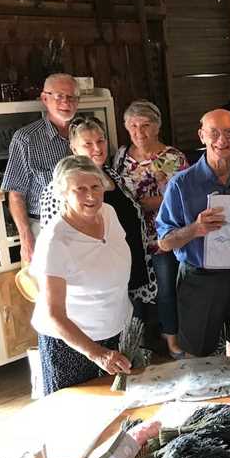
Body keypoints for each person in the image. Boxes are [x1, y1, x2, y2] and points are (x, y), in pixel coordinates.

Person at [156, 109, 230, 358]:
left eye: (229, 132)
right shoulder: (181, 184)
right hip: (200, 281)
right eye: (214, 133)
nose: (222, 140)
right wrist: (195, 229)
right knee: (198, 354)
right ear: (202, 136)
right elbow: (164, 242)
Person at [30, 156, 132, 395]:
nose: (91, 196)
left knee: (115, 407)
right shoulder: (55, 240)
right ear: (63, 193)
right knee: (75, 415)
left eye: (96, 186)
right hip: (72, 345)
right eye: (80, 189)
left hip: (113, 331)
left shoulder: (108, 213)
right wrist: (97, 354)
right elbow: (53, 314)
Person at [39, 116, 155, 313]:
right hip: (91, 283)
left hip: (128, 267)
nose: (97, 148)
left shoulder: (113, 175)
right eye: (88, 144)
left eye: (101, 140)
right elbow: (53, 238)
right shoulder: (61, 185)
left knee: (130, 326)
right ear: (74, 149)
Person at [113, 100, 189, 358]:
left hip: (162, 235)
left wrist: (150, 202)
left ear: (156, 127)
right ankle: (137, 343)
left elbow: (184, 197)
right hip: (130, 235)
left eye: (145, 125)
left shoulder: (173, 157)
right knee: (133, 288)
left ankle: (172, 340)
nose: (139, 131)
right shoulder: (121, 156)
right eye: (133, 125)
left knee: (166, 287)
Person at [2, 73, 78, 264]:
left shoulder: (85, 132)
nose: (66, 102)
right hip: (44, 227)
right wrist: (26, 238)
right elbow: (16, 194)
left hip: (83, 223)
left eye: (72, 97)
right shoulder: (26, 139)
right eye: (59, 96)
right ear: (45, 98)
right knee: (50, 289)